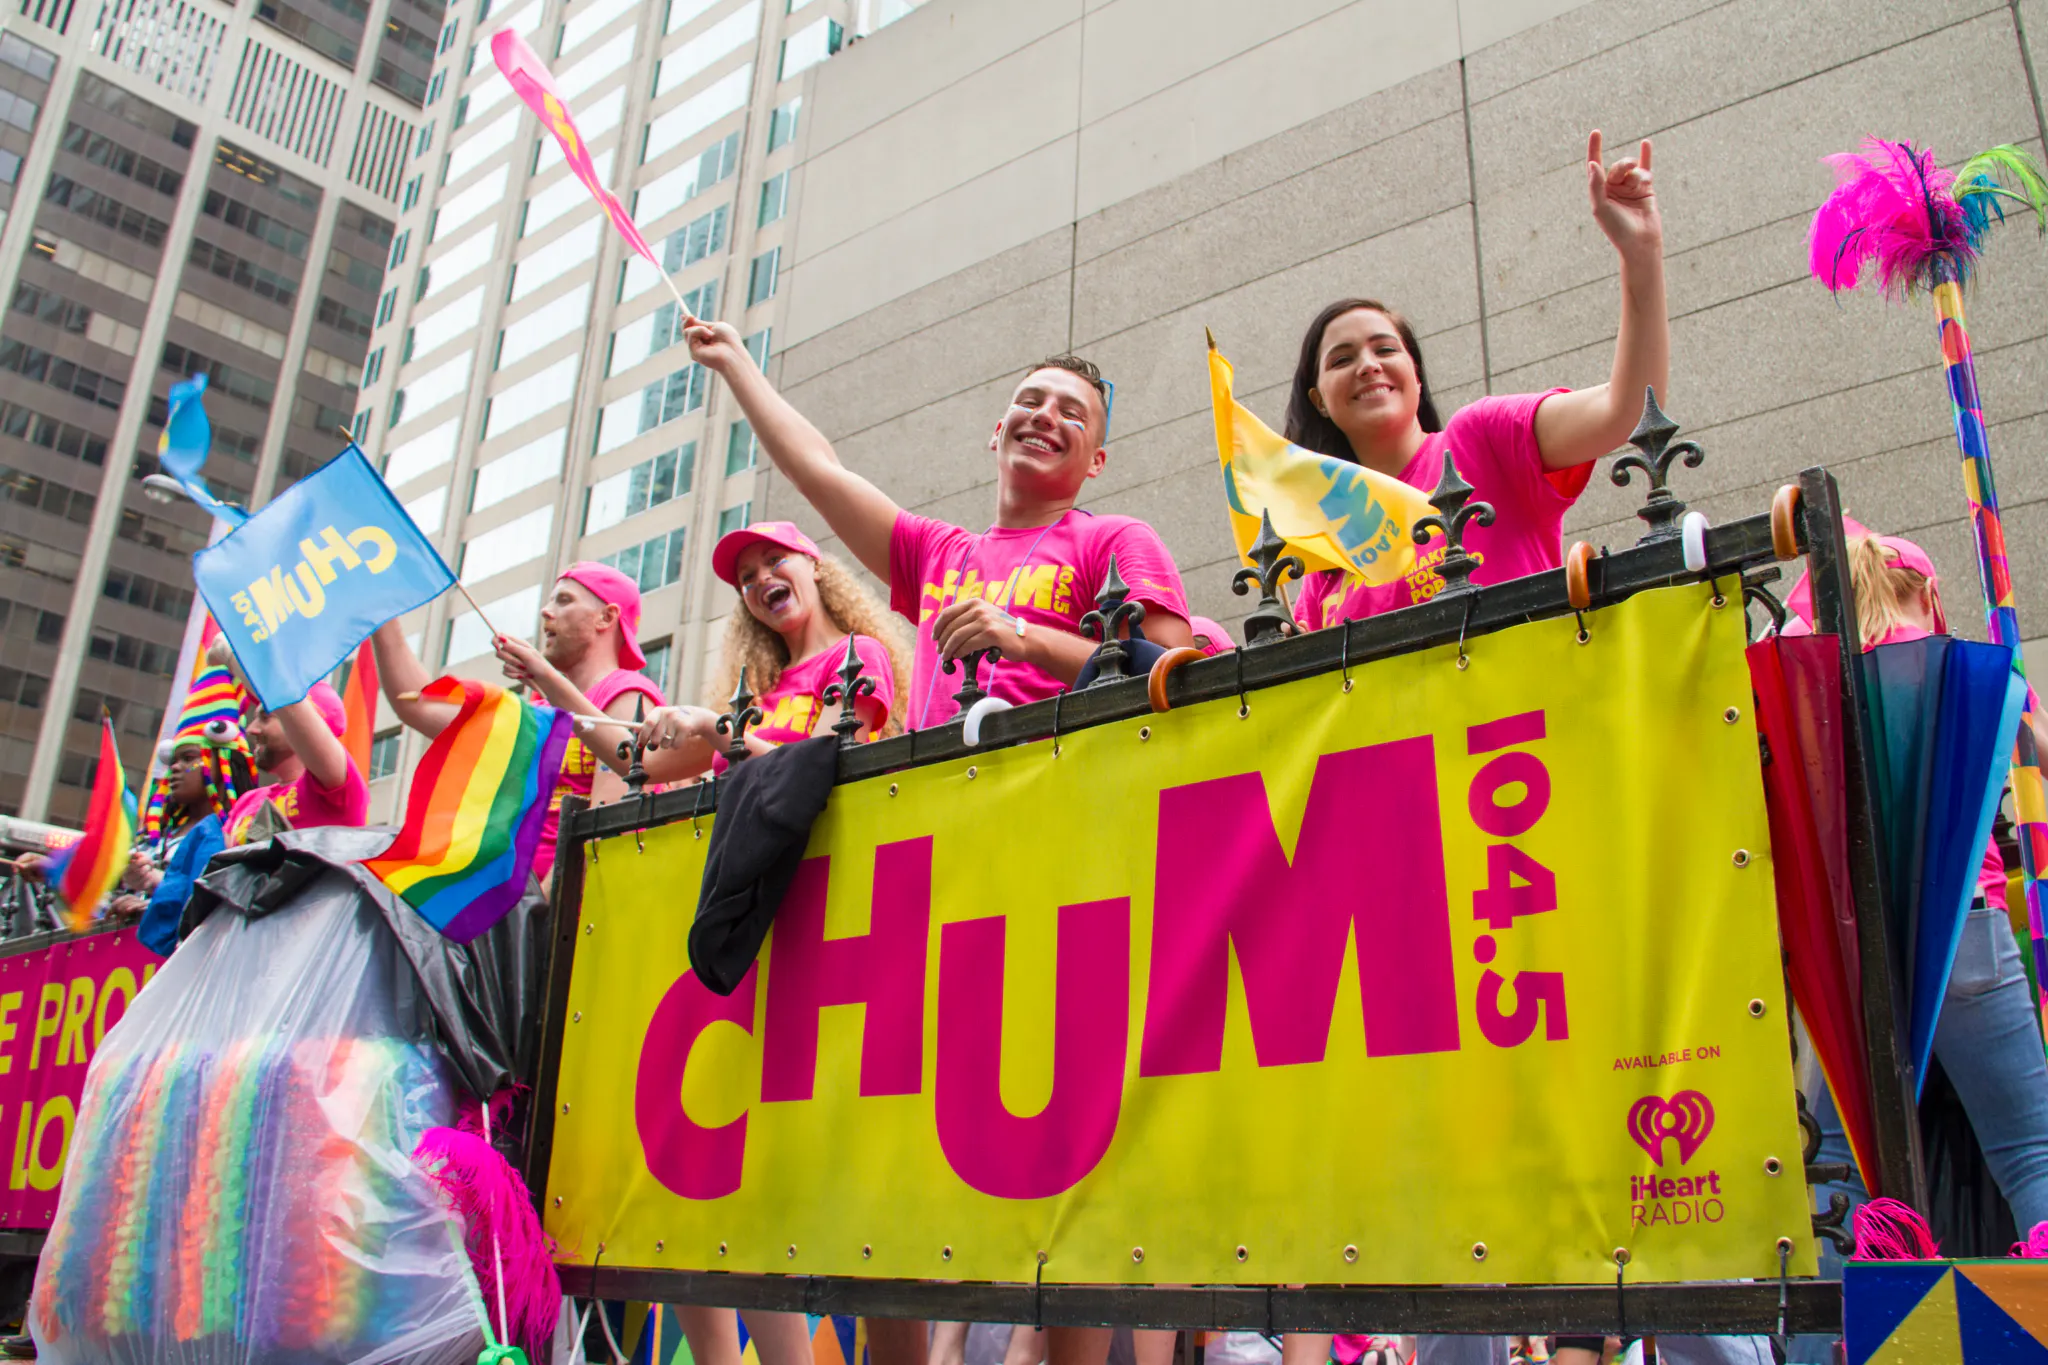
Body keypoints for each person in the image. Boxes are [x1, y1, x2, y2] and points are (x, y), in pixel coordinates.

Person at [677, 319, 1196, 732]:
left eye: (1072, 413)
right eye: (1030, 402)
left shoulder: (1117, 539)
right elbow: (818, 471)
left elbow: (1178, 675)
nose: (1044, 416)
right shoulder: (934, 551)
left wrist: (1022, 636)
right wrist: (736, 362)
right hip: (933, 800)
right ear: (998, 432)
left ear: (1096, 462)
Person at [1287, 130, 1667, 631]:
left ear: (1415, 374)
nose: (1368, 365)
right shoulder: (1327, 549)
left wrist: (1640, 254)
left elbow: (1628, 411)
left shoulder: (1480, 438)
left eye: (1385, 349)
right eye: (1341, 359)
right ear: (1319, 401)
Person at [373, 562, 665, 882]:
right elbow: (417, 704)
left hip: (568, 904)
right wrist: (379, 609)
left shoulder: (626, 693)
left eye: (564, 600)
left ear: (606, 617)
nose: (545, 611)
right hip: (514, 897)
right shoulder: (537, 708)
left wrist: (547, 906)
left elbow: (605, 827)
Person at [628, 521, 908, 778]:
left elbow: (816, 771)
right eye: (747, 577)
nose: (761, 578)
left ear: (815, 566)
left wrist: (714, 728)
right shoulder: (754, 688)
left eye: (774, 560)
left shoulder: (856, 655)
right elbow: (642, 769)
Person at [126, 666, 258, 955]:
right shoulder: (152, 838)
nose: (175, 768)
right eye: (173, 759)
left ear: (223, 761)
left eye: (188, 758)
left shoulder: (237, 833)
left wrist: (153, 890)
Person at [209, 636, 369, 847]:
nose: (252, 729)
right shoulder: (247, 801)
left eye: (266, 717)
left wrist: (230, 653)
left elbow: (287, 704)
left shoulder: (338, 788)